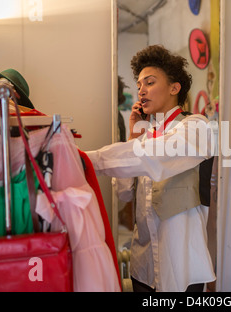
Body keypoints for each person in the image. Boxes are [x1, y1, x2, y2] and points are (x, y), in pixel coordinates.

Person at [86, 45, 216, 292]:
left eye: (150, 82)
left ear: (174, 88)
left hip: (180, 262)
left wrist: (88, 160)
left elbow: (154, 156)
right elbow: (123, 193)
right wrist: (135, 134)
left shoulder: (196, 128)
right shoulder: (146, 138)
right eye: (139, 86)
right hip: (143, 262)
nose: (141, 91)